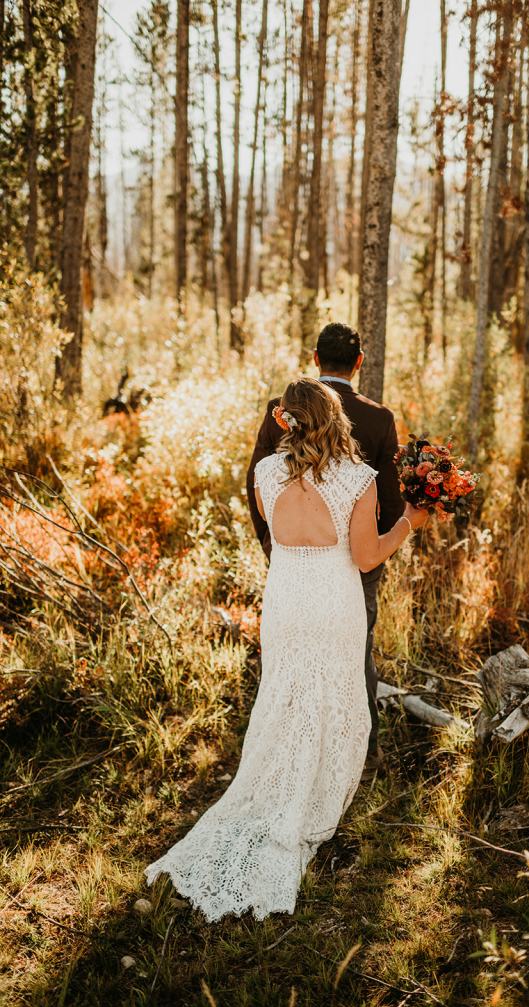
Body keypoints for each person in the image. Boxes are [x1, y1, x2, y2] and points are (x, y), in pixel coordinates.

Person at [145, 379, 427, 921]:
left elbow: (274, 530)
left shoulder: (264, 473)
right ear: (333, 416)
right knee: (334, 695)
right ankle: (312, 798)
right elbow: (367, 558)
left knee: (284, 695)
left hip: (285, 595)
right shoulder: (357, 477)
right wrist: (410, 523)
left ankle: (272, 787)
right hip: (332, 597)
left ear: (287, 420)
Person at [247, 323, 405, 776]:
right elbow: (390, 499)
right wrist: (386, 545)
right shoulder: (378, 418)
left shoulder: (284, 410)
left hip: (290, 559)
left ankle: (290, 751)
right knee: (355, 653)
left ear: (316, 358)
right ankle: (360, 754)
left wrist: (275, 544)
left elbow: (255, 478)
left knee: (291, 654)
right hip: (359, 555)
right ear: (359, 362)